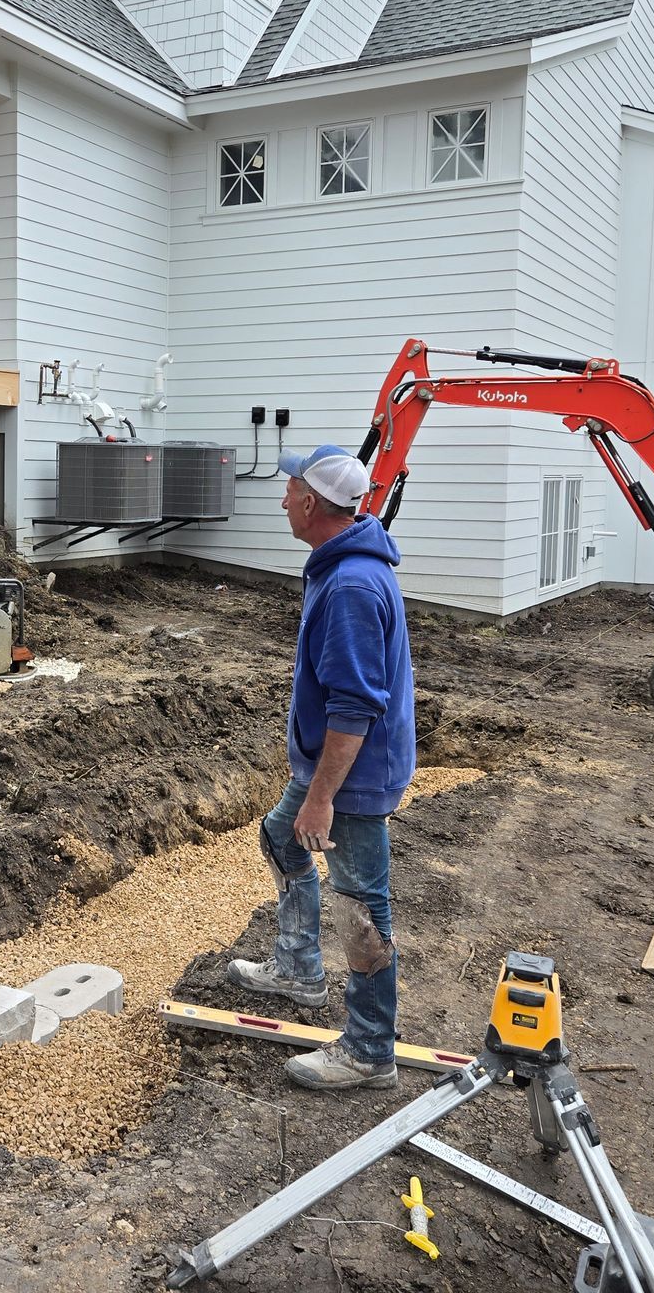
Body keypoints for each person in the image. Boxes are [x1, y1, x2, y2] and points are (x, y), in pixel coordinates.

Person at [226, 444, 415, 1090]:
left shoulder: (353, 585)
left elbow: (356, 705)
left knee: (363, 908)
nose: (281, 499)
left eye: (288, 490)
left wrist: (322, 797)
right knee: (280, 838)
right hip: (333, 765)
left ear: (310, 501)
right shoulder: (339, 567)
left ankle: (369, 1051)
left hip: (353, 777)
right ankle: (299, 968)